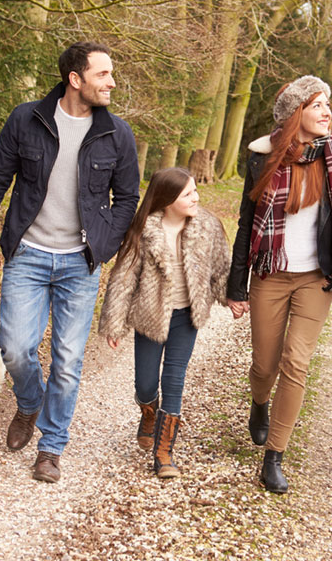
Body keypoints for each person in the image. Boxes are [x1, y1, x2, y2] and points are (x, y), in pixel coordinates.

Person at [0, 41, 140, 483]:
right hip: (28, 254)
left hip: (80, 262)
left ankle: (51, 447)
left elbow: (128, 197)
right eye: (103, 75)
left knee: (68, 360)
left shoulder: (117, 134)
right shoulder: (27, 119)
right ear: (75, 79)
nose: (112, 82)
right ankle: (29, 401)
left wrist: (104, 245)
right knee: (15, 348)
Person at [227, 75, 332, 494]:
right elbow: (247, 224)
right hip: (269, 274)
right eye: (317, 104)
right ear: (295, 113)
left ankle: (275, 456)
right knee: (265, 364)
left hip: (315, 279)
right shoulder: (263, 159)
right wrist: (236, 287)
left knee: (296, 363)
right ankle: (259, 403)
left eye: (328, 105)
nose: (327, 113)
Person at [98, 167, 230, 479]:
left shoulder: (207, 226)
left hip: (186, 317)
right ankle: (148, 411)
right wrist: (115, 322)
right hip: (152, 315)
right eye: (187, 194)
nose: (195, 198)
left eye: (196, 191)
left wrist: (233, 297)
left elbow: (222, 266)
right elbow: (124, 277)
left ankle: (164, 451)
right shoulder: (144, 230)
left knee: (174, 377)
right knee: (145, 384)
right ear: (167, 199)